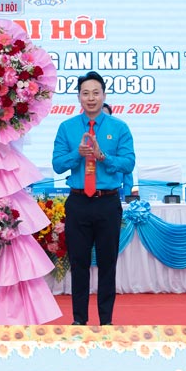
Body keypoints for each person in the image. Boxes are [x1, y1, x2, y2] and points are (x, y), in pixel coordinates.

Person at [53, 72, 135, 326]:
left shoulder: (119, 128)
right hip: (78, 202)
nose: (91, 98)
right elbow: (57, 165)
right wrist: (77, 155)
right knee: (78, 264)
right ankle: (79, 321)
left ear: (104, 95)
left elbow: (129, 162)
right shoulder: (67, 128)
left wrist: (102, 156)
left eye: (95, 93)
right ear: (79, 96)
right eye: (86, 93)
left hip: (107, 203)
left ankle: (106, 322)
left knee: (108, 264)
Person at [102, 103, 134, 199]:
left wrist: (127, 196)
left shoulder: (118, 133)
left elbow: (127, 166)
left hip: (114, 194)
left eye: (105, 115)